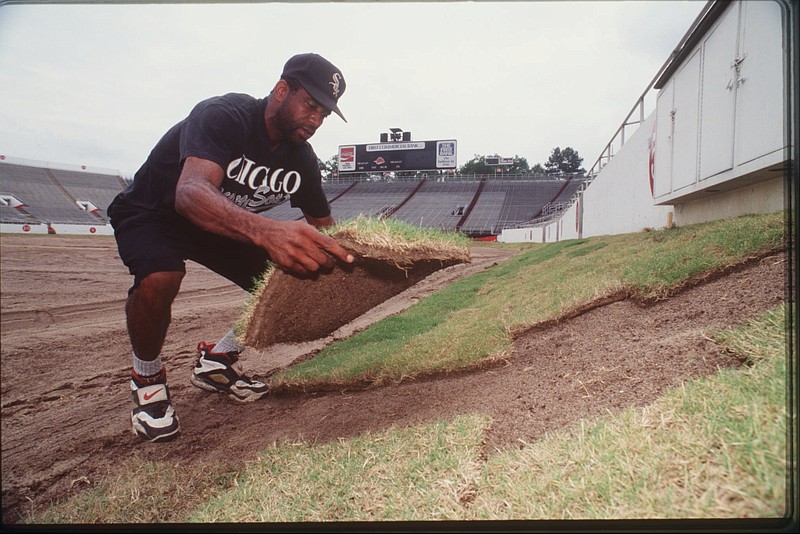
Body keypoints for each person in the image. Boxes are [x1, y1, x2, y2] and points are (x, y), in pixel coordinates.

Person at [107, 53, 355, 443]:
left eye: (324, 114)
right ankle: (147, 376)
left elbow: (326, 230)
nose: (315, 120)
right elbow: (189, 193)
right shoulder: (225, 115)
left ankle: (217, 361)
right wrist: (269, 233)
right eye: (310, 105)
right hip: (155, 211)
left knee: (297, 279)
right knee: (161, 276)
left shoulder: (302, 160)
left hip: (218, 226)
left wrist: (356, 262)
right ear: (281, 90)